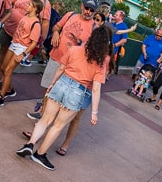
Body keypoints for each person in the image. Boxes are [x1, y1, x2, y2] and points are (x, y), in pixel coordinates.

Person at [16, 26, 111, 171]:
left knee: (45, 119)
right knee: (58, 125)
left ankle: (30, 143)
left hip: (61, 83)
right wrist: (94, 112)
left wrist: (52, 84)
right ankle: (40, 154)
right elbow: (96, 88)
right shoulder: (100, 63)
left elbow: (61, 68)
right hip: (78, 91)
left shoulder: (74, 49)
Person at [0, 0, 51, 93]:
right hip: (10, 30)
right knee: (2, 54)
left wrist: (42, 38)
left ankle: (4, 83)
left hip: (24, 39)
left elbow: (45, 22)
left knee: (10, 66)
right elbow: (8, 0)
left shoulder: (45, 3)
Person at [0, 0, 42, 107]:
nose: (27, 5)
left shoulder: (36, 24)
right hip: (14, 44)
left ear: (35, 8)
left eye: (29, 4)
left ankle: (1, 97)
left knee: (8, 71)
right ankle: (9, 89)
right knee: (3, 68)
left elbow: (34, 43)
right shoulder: (26, 17)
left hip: (22, 48)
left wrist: (23, 54)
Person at [109, 9, 128, 74]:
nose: (114, 15)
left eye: (116, 15)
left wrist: (115, 45)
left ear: (121, 17)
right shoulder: (113, 23)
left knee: (108, 61)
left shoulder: (124, 26)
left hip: (112, 47)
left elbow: (124, 39)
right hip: (106, 44)